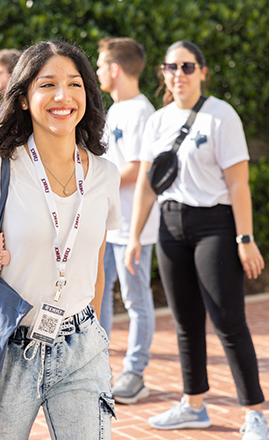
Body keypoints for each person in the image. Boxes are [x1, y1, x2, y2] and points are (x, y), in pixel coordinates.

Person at [0, 40, 122, 440]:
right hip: (4, 350)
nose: (62, 96)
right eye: (47, 84)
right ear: (22, 99)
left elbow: (95, 270)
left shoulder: (104, 174)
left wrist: (97, 339)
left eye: (74, 84)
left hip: (80, 345)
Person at [125, 40, 269, 440]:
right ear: (163, 72)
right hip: (171, 226)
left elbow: (238, 184)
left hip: (216, 226)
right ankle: (193, 405)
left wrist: (245, 237)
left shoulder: (221, 116)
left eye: (187, 67)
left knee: (228, 321)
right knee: (185, 322)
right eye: (171, 67)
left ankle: (255, 413)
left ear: (202, 72)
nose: (179, 74)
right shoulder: (157, 121)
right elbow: (147, 185)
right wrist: (135, 235)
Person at [96, 37, 160, 405]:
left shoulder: (141, 112)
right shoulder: (115, 109)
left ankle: (134, 372)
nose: (100, 71)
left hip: (133, 227)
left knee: (136, 301)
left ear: (116, 69)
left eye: (102, 65)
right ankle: (96, 365)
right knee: (99, 297)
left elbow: (138, 169)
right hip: (106, 225)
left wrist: (95, 181)